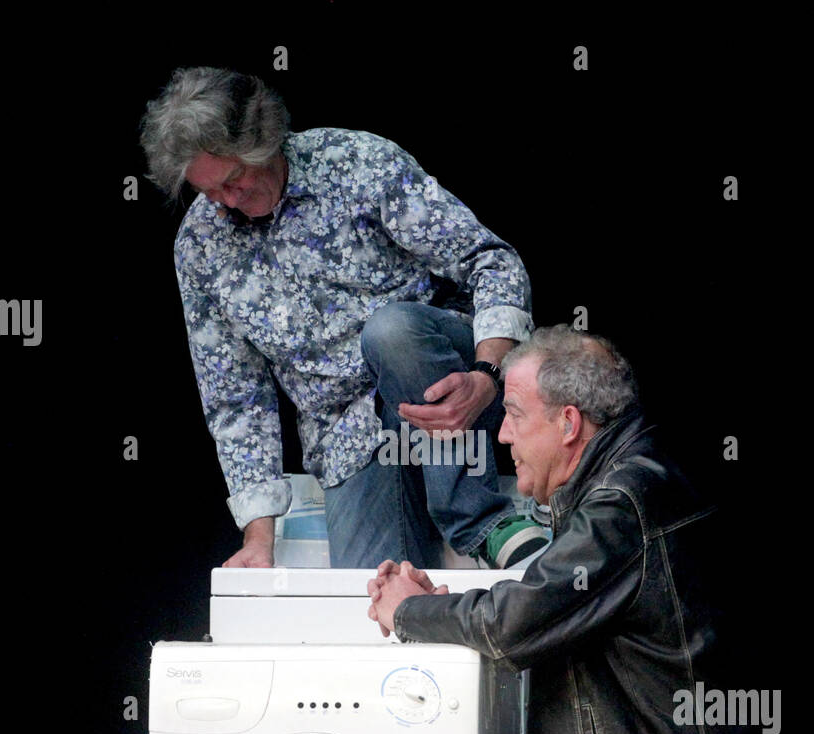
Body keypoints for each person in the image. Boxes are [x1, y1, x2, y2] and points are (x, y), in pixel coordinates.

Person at [366, 325, 808, 734]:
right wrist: (441, 607)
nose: (501, 435)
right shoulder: (636, 478)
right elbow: (550, 603)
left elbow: (517, 622)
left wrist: (411, 612)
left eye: (515, 415)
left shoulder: (623, 500)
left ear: (569, 424)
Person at [139, 67, 548, 570]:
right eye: (209, 193)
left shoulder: (357, 162)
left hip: (444, 375)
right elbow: (235, 398)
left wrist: (488, 377)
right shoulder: (200, 246)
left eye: (233, 180)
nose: (227, 202)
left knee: (392, 331)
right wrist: (257, 539)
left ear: (264, 141)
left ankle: (482, 520)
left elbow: (492, 262)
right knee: (373, 599)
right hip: (348, 435)